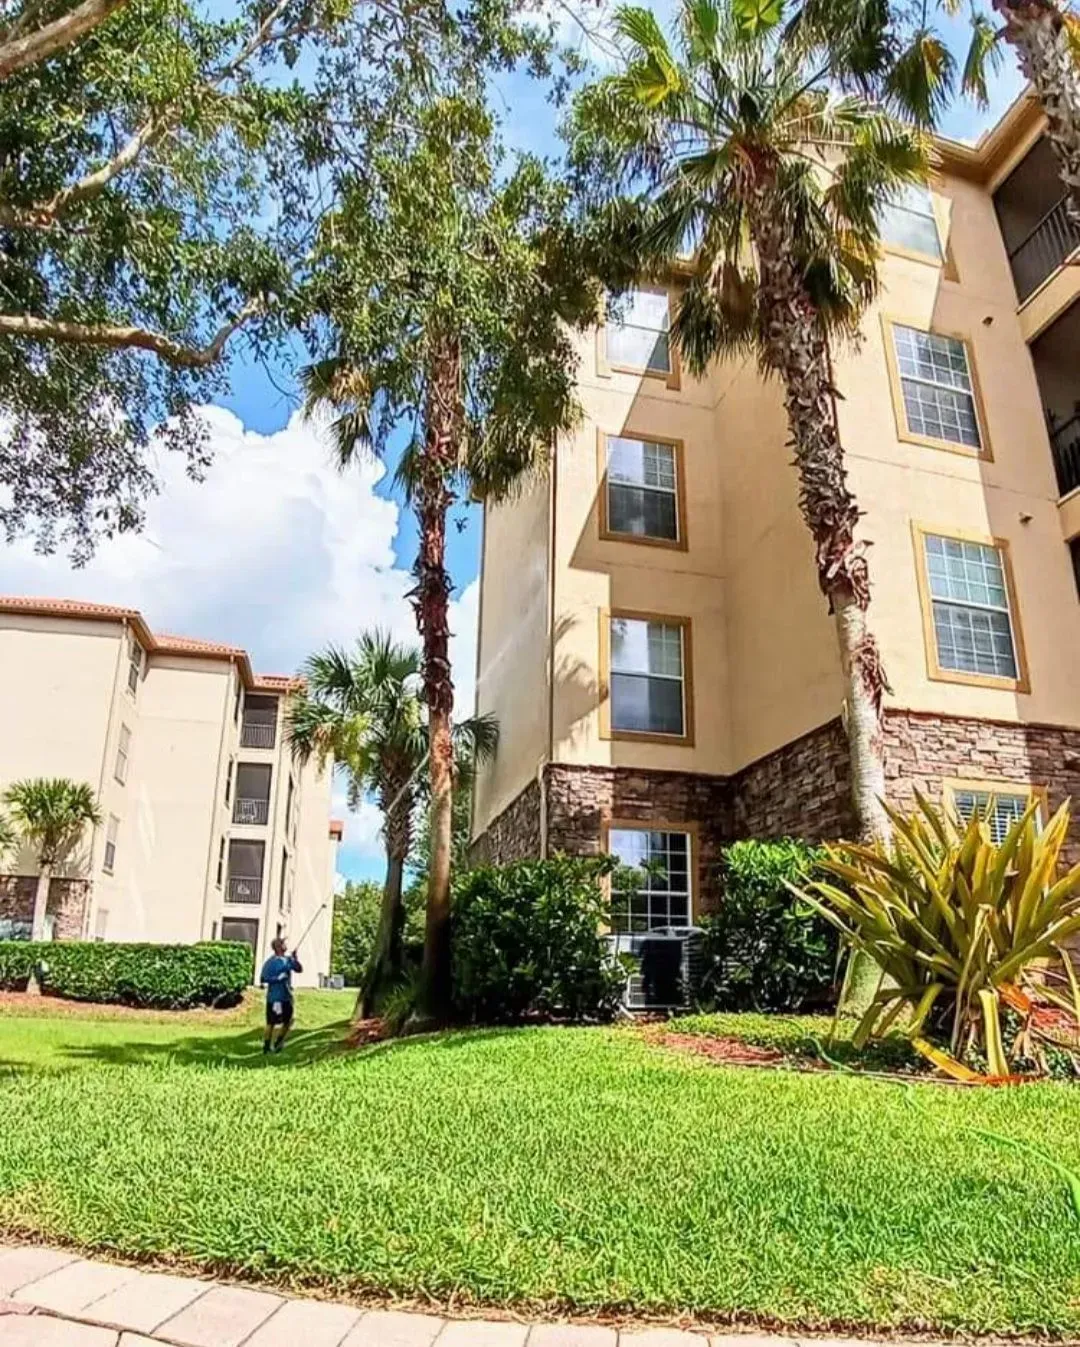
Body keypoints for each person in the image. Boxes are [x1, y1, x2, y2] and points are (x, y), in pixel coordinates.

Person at [260, 937, 302, 1054]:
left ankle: (278, 1043)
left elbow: (299, 969)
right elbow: (263, 978)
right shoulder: (270, 963)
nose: (285, 944)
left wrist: (295, 958)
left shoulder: (288, 960)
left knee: (288, 1021)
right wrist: (277, 978)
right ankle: (267, 1047)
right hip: (274, 998)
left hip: (286, 996)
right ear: (278, 947)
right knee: (271, 1023)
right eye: (282, 943)